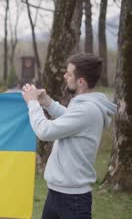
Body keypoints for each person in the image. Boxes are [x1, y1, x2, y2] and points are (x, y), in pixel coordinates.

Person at [21, 53, 116, 219]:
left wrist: (33, 104)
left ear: (81, 81)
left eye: (69, 74)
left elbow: (45, 131)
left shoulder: (88, 109)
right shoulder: (84, 105)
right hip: (56, 193)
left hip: (73, 199)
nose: (65, 76)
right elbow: (69, 120)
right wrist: (47, 102)